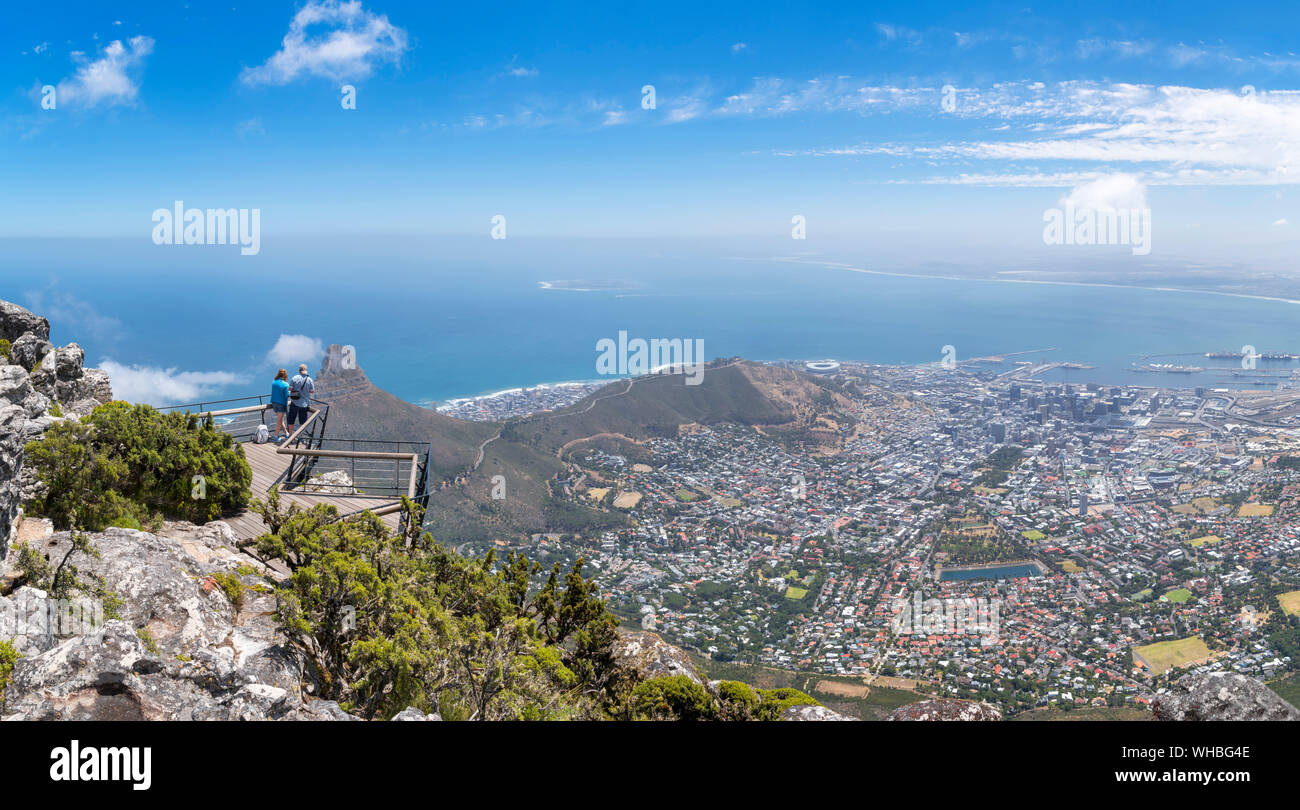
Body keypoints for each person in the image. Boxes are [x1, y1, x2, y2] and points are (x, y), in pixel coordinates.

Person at [287, 363, 315, 432]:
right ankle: (300, 437)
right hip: (304, 404)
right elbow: (312, 391)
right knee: (302, 422)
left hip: (295, 402)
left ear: (299, 370)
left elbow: (289, 389)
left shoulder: (294, 378)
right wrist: (306, 390)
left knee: (291, 419)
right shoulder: (310, 380)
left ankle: (290, 435)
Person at [270, 368, 290, 442]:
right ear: (285, 375)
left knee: (280, 419)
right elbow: (287, 395)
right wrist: (290, 392)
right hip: (281, 404)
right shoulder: (286, 384)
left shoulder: (274, 382)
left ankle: (286, 433)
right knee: (279, 420)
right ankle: (275, 436)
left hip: (274, 403)